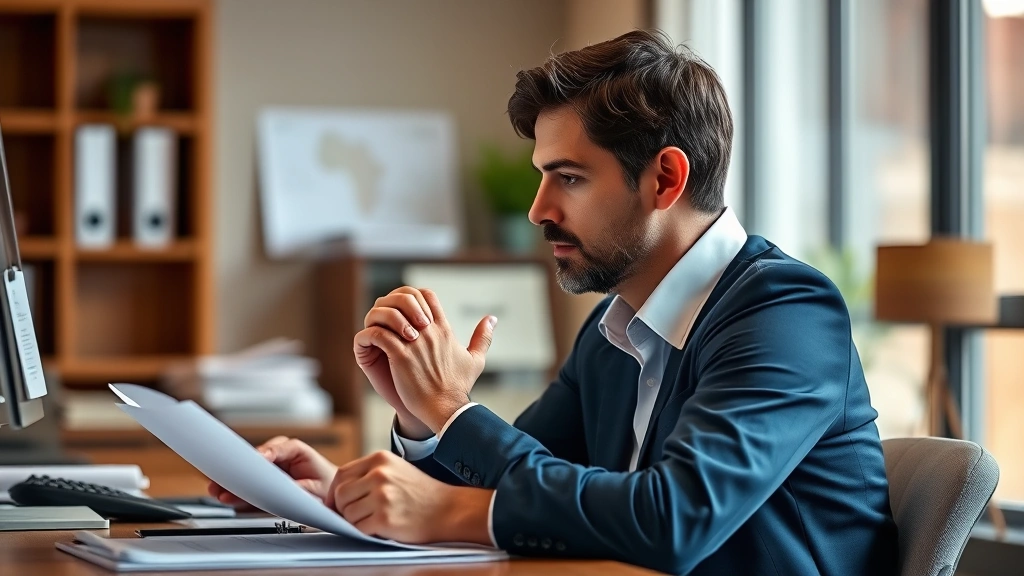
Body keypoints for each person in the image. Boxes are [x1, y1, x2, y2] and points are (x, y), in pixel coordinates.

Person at [211, 30, 898, 575]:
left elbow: (674, 521)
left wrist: (452, 412)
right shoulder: (614, 326)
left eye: (568, 177)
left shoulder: (785, 311)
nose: (539, 209)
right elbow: (527, 475)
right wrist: (355, 488)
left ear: (665, 177)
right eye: (544, 177)